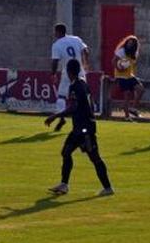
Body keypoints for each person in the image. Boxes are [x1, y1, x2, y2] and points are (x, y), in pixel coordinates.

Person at [45, 59, 114, 197]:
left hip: (85, 129)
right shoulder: (83, 84)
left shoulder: (76, 86)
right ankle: (64, 185)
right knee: (66, 152)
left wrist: (56, 116)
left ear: (69, 72)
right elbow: (90, 104)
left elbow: (74, 107)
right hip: (80, 128)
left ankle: (108, 188)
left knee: (94, 157)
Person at [50, 23, 89, 132]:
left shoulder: (57, 44)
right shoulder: (76, 39)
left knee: (61, 96)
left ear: (58, 32)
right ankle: (84, 120)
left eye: (55, 32)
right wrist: (85, 64)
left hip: (68, 74)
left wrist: (53, 74)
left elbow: (55, 61)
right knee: (81, 96)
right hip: (80, 72)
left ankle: (61, 118)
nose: (54, 34)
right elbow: (86, 51)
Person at [110, 35, 144, 120]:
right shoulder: (121, 51)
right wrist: (119, 67)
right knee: (127, 95)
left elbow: (132, 64)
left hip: (130, 75)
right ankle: (127, 116)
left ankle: (133, 108)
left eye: (132, 43)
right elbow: (113, 61)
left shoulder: (135, 53)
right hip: (121, 76)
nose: (130, 45)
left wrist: (128, 67)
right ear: (126, 42)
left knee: (140, 89)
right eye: (129, 42)